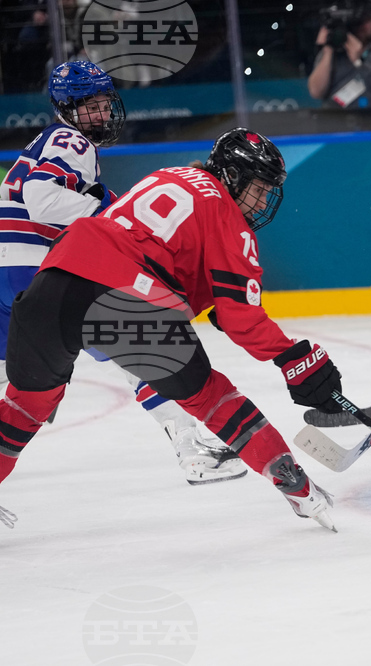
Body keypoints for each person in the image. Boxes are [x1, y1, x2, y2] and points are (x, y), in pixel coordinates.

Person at [0, 128, 343, 531]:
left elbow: (148, 242)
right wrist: (297, 359)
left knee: (25, 406)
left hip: (55, 279)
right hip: (129, 300)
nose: (264, 200)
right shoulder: (229, 218)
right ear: (232, 177)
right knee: (211, 397)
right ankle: (300, 491)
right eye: (259, 188)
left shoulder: (168, 175)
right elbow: (242, 320)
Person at [0, 60, 247, 486]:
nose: (102, 115)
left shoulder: (47, 143)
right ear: (67, 108)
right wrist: (112, 215)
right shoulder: (69, 140)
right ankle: (192, 450)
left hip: (10, 273)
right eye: (91, 107)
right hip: (37, 271)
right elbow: (42, 202)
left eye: (103, 105)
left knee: (20, 387)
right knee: (140, 352)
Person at [307, 1, 371, 109]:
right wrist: (328, 49)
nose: (362, 25)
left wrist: (358, 62)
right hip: (336, 121)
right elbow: (316, 92)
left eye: (367, 20)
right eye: (358, 21)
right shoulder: (332, 54)